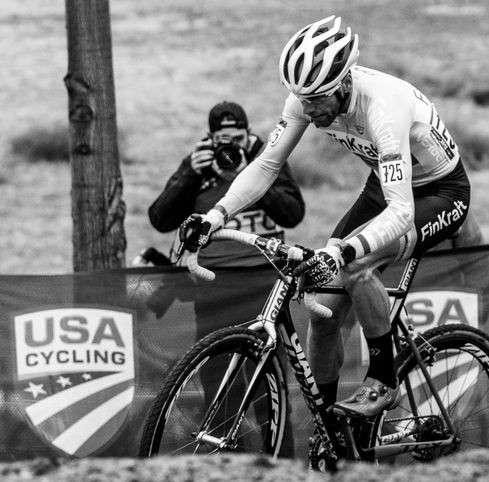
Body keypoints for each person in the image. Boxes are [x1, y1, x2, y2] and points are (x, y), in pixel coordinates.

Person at [180, 15, 471, 423]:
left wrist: (344, 251)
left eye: (317, 99)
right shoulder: (304, 97)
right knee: (326, 312)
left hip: (439, 192)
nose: (309, 108)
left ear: (344, 84)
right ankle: (329, 428)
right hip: (384, 183)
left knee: (355, 266)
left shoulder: (383, 106)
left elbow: (402, 211)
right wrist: (215, 215)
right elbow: (266, 165)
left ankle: (383, 381)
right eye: (302, 98)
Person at [145, 100, 306, 332]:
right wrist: (189, 175)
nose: (231, 148)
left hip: (263, 274)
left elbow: (293, 214)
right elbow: (160, 220)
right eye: (223, 141)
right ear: (210, 138)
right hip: (211, 280)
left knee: (267, 354)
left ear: (248, 135)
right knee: (214, 362)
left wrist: (252, 176)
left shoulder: (265, 158)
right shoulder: (200, 164)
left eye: (238, 140)